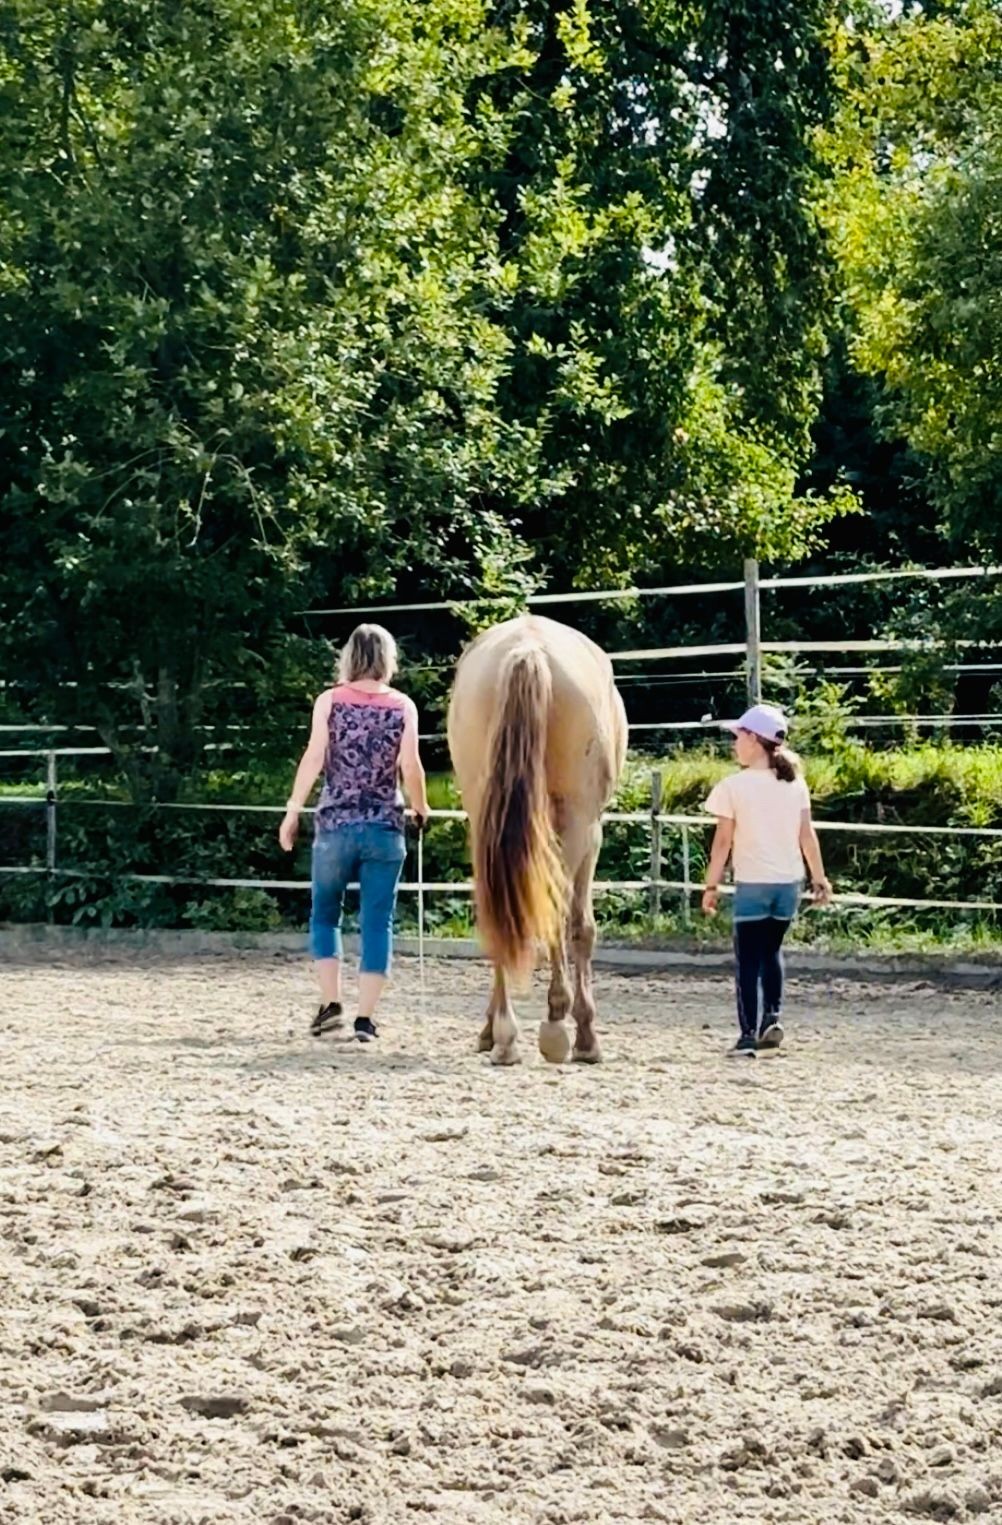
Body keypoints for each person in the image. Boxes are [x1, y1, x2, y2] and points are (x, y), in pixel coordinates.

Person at [279, 624, 429, 1043]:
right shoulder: (403, 706)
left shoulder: (328, 702)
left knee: (325, 914)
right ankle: (365, 1019)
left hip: (335, 827)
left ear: (348, 657)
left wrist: (293, 811)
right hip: (383, 827)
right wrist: (420, 807)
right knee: (377, 922)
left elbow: (313, 757)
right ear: (388, 659)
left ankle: (331, 1005)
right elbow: (411, 766)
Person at [701, 703, 832, 1057]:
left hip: (753, 884)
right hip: (789, 883)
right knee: (771, 951)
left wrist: (711, 886)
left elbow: (723, 844)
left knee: (748, 959)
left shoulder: (733, 786)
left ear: (753, 740)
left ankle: (747, 1035)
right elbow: (807, 836)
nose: (734, 744)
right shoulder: (796, 784)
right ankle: (772, 1017)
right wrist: (819, 878)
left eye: (738, 737)